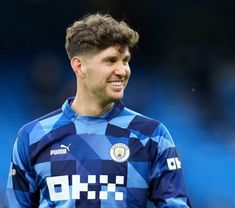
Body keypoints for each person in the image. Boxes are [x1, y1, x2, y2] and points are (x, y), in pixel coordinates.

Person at [5, 13, 191, 207]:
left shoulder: (151, 135)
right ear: (79, 66)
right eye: (111, 60)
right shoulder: (33, 136)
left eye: (125, 60)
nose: (122, 70)